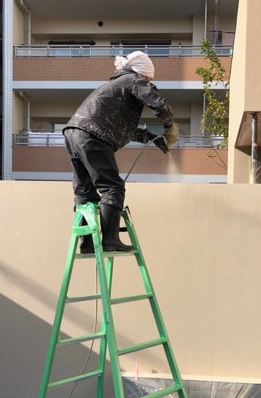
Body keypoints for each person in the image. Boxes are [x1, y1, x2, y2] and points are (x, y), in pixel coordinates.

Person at [63, 50, 179, 252]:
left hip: (74, 132)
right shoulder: (133, 80)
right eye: (149, 79)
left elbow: (119, 127)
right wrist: (170, 125)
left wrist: (150, 137)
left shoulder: (116, 86)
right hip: (91, 134)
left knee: (85, 190)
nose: (149, 82)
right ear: (142, 74)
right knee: (113, 187)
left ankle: (88, 243)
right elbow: (159, 103)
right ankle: (110, 240)